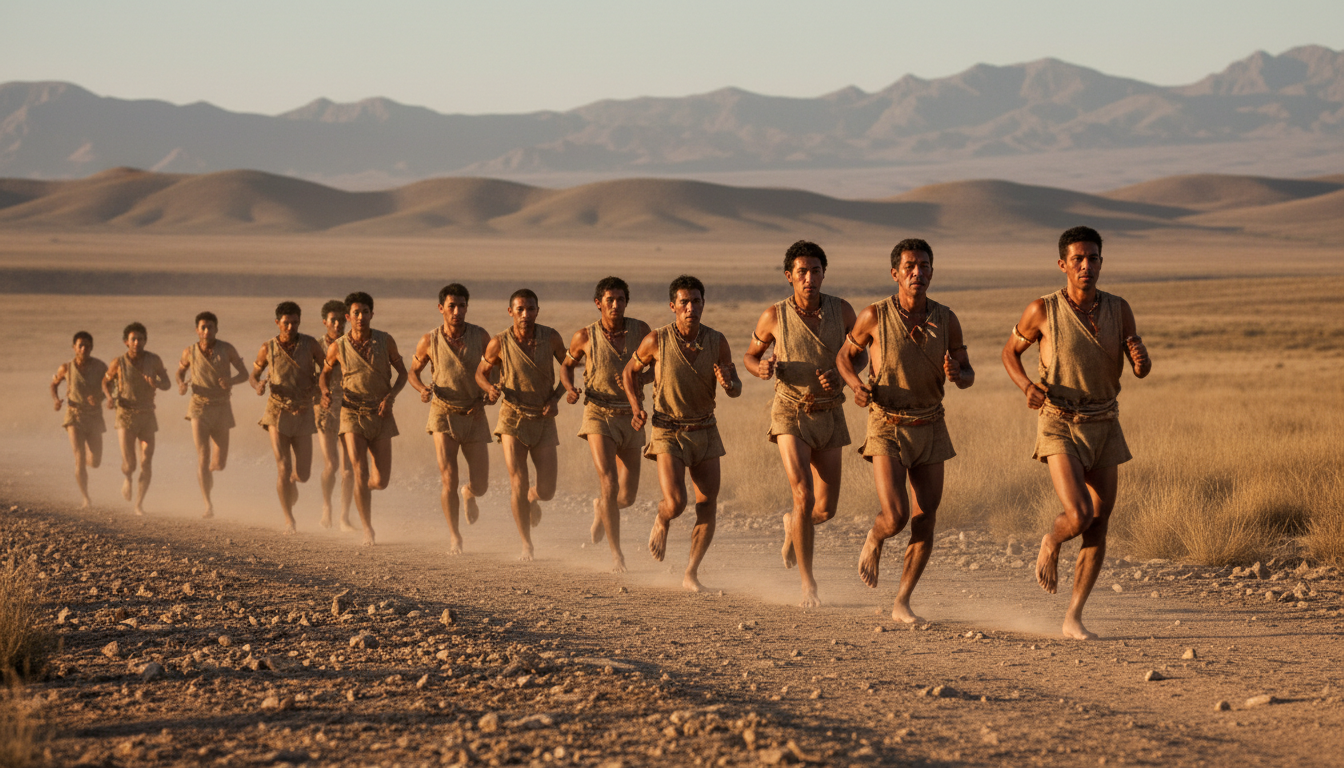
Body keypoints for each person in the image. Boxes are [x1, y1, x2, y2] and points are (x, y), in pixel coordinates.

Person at [1002, 226, 1151, 640]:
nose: (1086, 266)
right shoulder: (1042, 310)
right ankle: (1052, 539)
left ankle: (1073, 617)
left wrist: (1142, 359)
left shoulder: (1119, 309)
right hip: (1060, 422)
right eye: (1078, 259)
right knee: (1080, 514)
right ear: (1063, 264)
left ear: (1102, 262)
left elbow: (1139, 365)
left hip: (1105, 421)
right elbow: (1009, 352)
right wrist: (1028, 387)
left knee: (1099, 524)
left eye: (1094, 259)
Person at [837, 239, 974, 623]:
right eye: (910, 266)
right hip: (886, 423)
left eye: (925, 266)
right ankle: (875, 538)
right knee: (896, 515)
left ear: (932, 271)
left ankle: (902, 601)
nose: (918, 272)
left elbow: (968, 373)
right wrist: (855, 385)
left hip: (931, 424)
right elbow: (844, 358)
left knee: (926, 516)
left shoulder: (946, 319)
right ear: (895, 273)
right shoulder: (874, 316)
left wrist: (957, 374)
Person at [743, 241, 861, 607]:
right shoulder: (773, 316)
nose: (809, 278)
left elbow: (860, 354)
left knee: (824, 510)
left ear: (824, 273)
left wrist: (843, 377)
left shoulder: (842, 311)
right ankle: (808, 584)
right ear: (789, 276)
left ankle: (792, 526)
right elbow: (750, 355)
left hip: (829, 411)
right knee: (803, 494)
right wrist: (760, 367)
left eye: (815, 271)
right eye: (802, 272)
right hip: (789, 410)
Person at [623, 275, 741, 592]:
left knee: (707, 504)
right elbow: (629, 372)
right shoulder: (656, 340)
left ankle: (691, 573)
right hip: (667, 429)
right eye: (684, 302)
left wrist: (729, 382)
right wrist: (636, 407)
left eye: (696, 301)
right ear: (673, 306)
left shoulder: (717, 341)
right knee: (676, 502)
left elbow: (736, 388)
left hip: (705, 429)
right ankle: (661, 519)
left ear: (704, 304)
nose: (691, 308)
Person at [561, 276, 652, 573]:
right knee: (609, 484)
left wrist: (640, 379)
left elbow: (657, 365)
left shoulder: (641, 331)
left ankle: (602, 509)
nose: (615, 305)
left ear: (627, 302)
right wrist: (570, 388)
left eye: (621, 300)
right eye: (610, 300)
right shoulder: (584, 336)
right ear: (598, 303)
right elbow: (566, 365)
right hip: (598, 413)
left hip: (631, 414)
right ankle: (617, 556)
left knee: (626, 496)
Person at [475, 289, 567, 561]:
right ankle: (526, 543)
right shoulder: (499, 343)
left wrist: (557, 396)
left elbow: (568, 368)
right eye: (520, 309)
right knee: (518, 480)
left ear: (537, 311)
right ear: (510, 312)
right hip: (512, 417)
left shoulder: (550, 337)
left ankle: (532, 497)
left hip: (544, 417)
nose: (525, 314)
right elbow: (481, 373)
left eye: (530, 309)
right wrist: (490, 388)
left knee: (547, 490)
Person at [320, 292, 408, 545]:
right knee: (359, 470)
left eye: (365, 312)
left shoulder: (385, 340)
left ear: (372, 314)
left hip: (380, 413)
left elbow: (402, 374)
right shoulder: (338, 347)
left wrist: (390, 397)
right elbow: (324, 375)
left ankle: (360, 492)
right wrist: (325, 392)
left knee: (380, 481)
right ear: (348, 317)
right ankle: (367, 528)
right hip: (350, 413)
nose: (360, 317)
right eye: (355, 313)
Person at [410, 284, 491, 555]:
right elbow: (413, 372)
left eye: (462, 306)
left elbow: (496, 368)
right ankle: (455, 536)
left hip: (474, 413)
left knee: (481, 484)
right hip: (442, 414)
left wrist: (491, 392)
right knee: (449, 479)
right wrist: (422, 389)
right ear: (441, 308)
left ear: (467, 307)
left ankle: (470, 494)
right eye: (451, 306)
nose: (457, 311)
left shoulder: (480, 336)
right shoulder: (429, 340)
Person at [251, 301, 326, 533]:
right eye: (286, 322)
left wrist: (320, 389)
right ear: (277, 323)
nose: (291, 326)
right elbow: (253, 375)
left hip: (303, 411)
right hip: (277, 411)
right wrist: (259, 385)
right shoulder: (268, 348)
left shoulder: (310, 344)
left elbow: (326, 369)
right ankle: (289, 519)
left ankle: (293, 482)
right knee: (283, 466)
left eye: (295, 322)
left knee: (303, 473)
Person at [176, 311, 249, 518]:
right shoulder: (189, 352)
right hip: (198, 406)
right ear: (197, 330)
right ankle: (207, 504)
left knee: (219, 463)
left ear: (216, 329)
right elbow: (179, 373)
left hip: (222, 406)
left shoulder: (227, 349)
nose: (207, 331)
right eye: (203, 327)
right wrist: (181, 384)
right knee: (203, 456)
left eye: (210, 327)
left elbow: (244, 374)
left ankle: (208, 474)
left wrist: (230, 381)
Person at [101, 322, 171, 515]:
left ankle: (139, 504)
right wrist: (109, 398)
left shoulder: (154, 360)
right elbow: (105, 382)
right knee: (130, 463)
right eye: (133, 339)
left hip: (147, 414)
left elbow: (167, 384)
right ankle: (127, 479)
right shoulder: (118, 363)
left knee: (146, 460)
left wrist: (155, 382)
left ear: (145, 340)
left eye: (141, 339)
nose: (137, 342)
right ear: (126, 342)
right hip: (125, 414)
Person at [50, 331, 107, 508]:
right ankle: (86, 498)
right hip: (73, 414)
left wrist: (99, 398)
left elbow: (109, 388)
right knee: (79, 457)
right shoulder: (66, 368)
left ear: (92, 347)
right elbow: (54, 384)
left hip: (94, 415)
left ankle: (87, 462)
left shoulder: (100, 367)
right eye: (80, 345)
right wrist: (56, 400)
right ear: (74, 347)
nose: (84, 349)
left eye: (87, 345)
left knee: (95, 461)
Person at [315, 300, 355, 530]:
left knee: (349, 468)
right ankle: (326, 508)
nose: (338, 324)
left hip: (349, 408)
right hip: (325, 409)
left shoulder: (351, 345)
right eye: (333, 320)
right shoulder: (316, 347)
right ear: (325, 322)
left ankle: (344, 517)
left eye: (342, 319)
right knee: (331, 464)